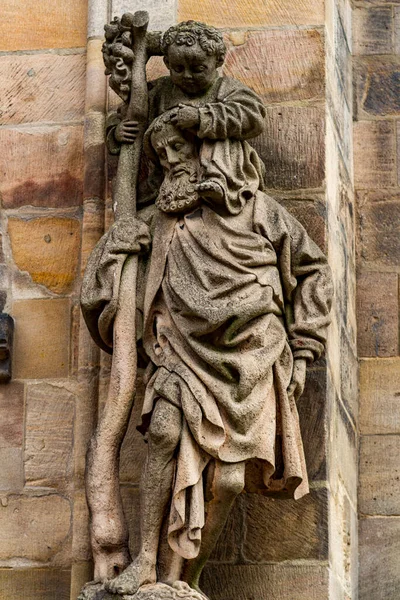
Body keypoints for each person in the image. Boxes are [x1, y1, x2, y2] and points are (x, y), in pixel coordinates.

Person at [81, 111, 333, 597]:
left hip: (251, 355)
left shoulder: (259, 211)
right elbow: (100, 294)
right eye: (162, 154)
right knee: (162, 432)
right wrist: (116, 249)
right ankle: (146, 565)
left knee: (232, 482)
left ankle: (182, 578)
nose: (172, 160)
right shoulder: (156, 219)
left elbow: (313, 273)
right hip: (178, 347)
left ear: (206, 150)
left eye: (179, 147)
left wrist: (303, 350)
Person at [105, 20, 267, 214]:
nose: (187, 76)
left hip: (224, 170)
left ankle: (219, 184)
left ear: (217, 61)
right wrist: (116, 133)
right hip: (170, 174)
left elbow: (253, 115)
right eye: (178, 69)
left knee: (217, 139)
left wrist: (202, 117)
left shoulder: (225, 88)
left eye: (197, 69)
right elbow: (127, 113)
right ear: (167, 63)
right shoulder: (160, 91)